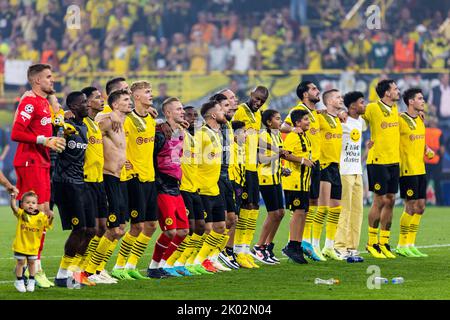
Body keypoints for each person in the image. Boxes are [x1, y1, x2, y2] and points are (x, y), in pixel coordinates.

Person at [11, 63, 65, 288]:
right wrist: (45, 141)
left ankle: (32, 269)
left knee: (43, 215)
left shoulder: (43, 102)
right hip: (29, 161)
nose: (52, 80)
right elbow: (16, 132)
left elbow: (52, 123)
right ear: (36, 81)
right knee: (36, 214)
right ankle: (33, 271)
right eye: (48, 77)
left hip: (40, 162)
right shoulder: (30, 101)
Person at [110, 81, 159, 280]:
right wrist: (125, 161)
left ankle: (131, 265)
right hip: (134, 178)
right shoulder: (126, 119)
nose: (151, 94)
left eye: (151, 91)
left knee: (152, 225)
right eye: (147, 92)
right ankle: (119, 267)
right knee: (136, 226)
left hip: (150, 177)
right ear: (136, 96)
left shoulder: (151, 119)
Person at [83, 89, 132, 277]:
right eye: (125, 100)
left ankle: (98, 268)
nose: (129, 102)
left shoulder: (123, 121)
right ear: (115, 104)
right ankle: (90, 270)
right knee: (111, 229)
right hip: (107, 177)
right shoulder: (107, 120)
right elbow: (93, 125)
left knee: (119, 230)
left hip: (119, 179)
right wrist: (109, 114)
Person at [53, 92, 96, 287]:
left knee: (91, 230)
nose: (87, 105)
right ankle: (62, 275)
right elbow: (55, 129)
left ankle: (75, 272)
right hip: (65, 183)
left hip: (81, 181)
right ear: (73, 106)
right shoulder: (66, 125)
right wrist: (61, 116)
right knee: (80, 229)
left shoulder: (83, 127)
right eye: (83, 103)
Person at [147, 97, 191, 278]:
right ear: (168, 113)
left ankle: (161, 265)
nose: (182, 111)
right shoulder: (159, 133)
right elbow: (151, 157)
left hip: (175, 187)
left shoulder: (179, 132)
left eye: (182, 109)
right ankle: (153, 266)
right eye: (178, 109)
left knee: (183, 231)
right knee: (170, 231)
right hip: (162, 186)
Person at [78, 86, 116, 284]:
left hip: (99, 180)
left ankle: (89, 270)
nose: (102, 100)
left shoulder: (95, 124)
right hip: (85, 181)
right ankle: (79, 270)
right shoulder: (81, 123)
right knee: (88, 228)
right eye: (97, 98)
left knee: (102, 227)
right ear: (86, 102)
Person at [281, 81, 322, 261]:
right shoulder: (297, 114)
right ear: (305, 94)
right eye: (313, 88)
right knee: (299, 209)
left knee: (305, 208)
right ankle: (294, 244)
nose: (317, 90)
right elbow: (283, 131)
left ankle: (299, 244)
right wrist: (293, 128)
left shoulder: (313, 114)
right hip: (296, 176)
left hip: (311, 169)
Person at [231, 86, 269, 268]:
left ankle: (245, 249)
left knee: (254, 208)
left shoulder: (259, 114)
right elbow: (231, 135)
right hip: (241, 165)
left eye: (262, 100)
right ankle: (237, 251)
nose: (258, 102)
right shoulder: (239, 111)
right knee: (245, 208)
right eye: (256, 97)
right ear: (251, 95)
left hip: (253, 166)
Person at [363, 79, 401, 259]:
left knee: (391, 200)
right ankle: (371, 243)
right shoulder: (372, 108)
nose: (398, 91)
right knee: (379, 200)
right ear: (387, 92)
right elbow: (356, 119)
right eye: (395, 89)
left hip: (394, 161)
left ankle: (384, 242)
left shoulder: (395, 110)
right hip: (377, 161)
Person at [396, 88, 434, 258]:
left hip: (420, 168)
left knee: (421, 207)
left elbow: (419, 140)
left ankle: (411, 244)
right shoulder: (400, 120)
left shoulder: (420, 119)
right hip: (407, 169)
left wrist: (427, 148)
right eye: (420, 98)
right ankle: (401, 244)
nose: (423, 101)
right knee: (410, 206)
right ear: (411, 101)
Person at [191, 101, 228, 272]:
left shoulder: (216, 133)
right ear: (213, 115)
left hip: (215, 187)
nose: (224, 112)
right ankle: (199, 261)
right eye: (221, 109)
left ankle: (208, 259)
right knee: (206, 228)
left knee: (221, 226)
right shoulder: (201, 134)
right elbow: (192, 161)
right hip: (202, 188)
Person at [176, 105, 211, 276]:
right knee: (187, 227)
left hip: (194, 187)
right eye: (188, 115)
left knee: (201, 226)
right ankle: (174, 262)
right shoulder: (178, 135)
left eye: (195, 116)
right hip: (182, 187)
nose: (192, 118)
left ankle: (187, 262)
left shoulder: (194, 138)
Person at [334, 91, 366, 258]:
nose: (364, 105)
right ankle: (340, 247)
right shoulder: (341, 121)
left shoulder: (360, 121)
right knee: (344, 210)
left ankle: (352, 247)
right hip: (344, 170)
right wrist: (339, 113)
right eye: (362, 102)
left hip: (357, 171)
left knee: (357, 211)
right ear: (352, 105)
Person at [281, 109, 315, 264]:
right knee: (298, 212)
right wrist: (302, 161)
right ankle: (292, 245)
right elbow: (285, 154)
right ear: (297, 123)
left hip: (303, 182)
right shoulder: (293, 136)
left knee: (303, 213)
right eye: (305, 119)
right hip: (294, 182)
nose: (308, 122)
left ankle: (297, 244)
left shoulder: (304, 136)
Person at [252, 109, 285, 265]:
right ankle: (258, 246)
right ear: (269, 122)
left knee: (280, 213)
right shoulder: (263, 135)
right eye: (278, 118)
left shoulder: (276, 134)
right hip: (265, 179)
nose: (280, 121)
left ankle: (267, 246)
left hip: (276, 177)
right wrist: (278, 154)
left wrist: (282, 169)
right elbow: (262, 158)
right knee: (273, 214)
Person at [208, 93, 237, 271]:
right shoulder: (208, 129)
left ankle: (216, 253)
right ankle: (210, 255)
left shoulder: (228, 127)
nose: (230, 108)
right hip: (216, 175)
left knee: (231, 219)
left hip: (228, 175)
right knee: (217, 221)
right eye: (225, 106)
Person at [10, 191, 53, 292]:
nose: (30, 204)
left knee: (32, 263)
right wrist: (12, 199)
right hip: (21, 245)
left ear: (37, 205)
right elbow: (14, 208)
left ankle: (32, 280)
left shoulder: (41, 216)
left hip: (33, 246)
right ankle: (19, 281)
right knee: (20, 262)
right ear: (22, 204)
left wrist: (51, 217)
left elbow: (47, 225)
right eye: (27, 202)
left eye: (33, 203)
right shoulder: (21, 214)